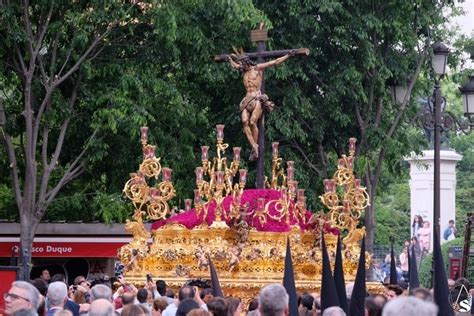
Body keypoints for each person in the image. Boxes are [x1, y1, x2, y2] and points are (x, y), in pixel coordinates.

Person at [227, 49, 299, 160]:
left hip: (257, 98)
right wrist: (229, 59)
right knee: (244, 121)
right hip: (247, 99)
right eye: (240, 65)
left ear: (246, 62)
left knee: (252, 122)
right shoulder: (243, 71)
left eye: (242, 64)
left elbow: (274, 62)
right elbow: (234, 65)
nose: (240, 66)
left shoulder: (257, 68)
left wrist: (287, 56)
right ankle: (254, 146)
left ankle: (254, 146)